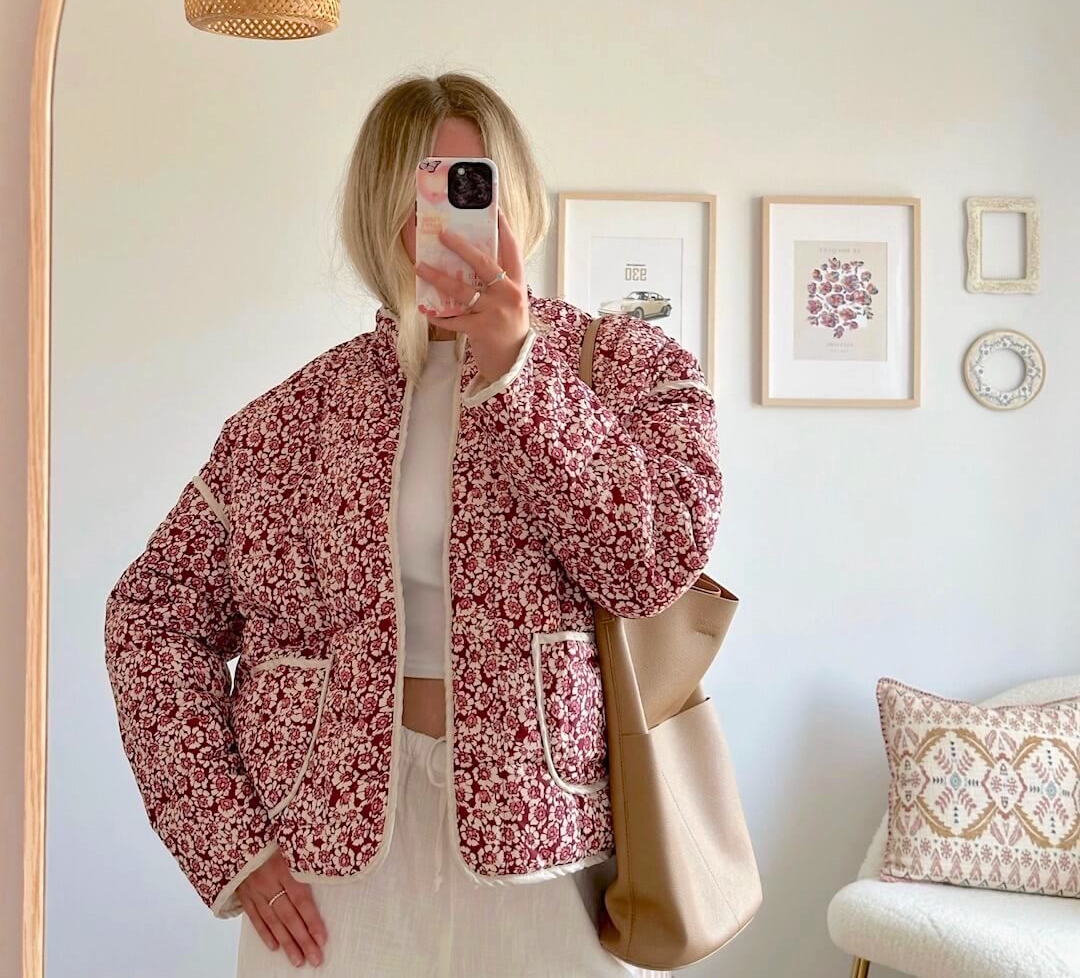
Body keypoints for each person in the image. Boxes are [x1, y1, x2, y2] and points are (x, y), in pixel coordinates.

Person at [103, 72, 723, 976]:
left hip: (548, 843)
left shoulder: (627, 370)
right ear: (379, 211)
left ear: (515, 199)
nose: (447, 219)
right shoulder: (295, 417)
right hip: (327, 860)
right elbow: (151, 617)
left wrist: (519, 374)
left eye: (473, 187)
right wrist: (228, 841)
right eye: (425, 189)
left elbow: (649, 566)